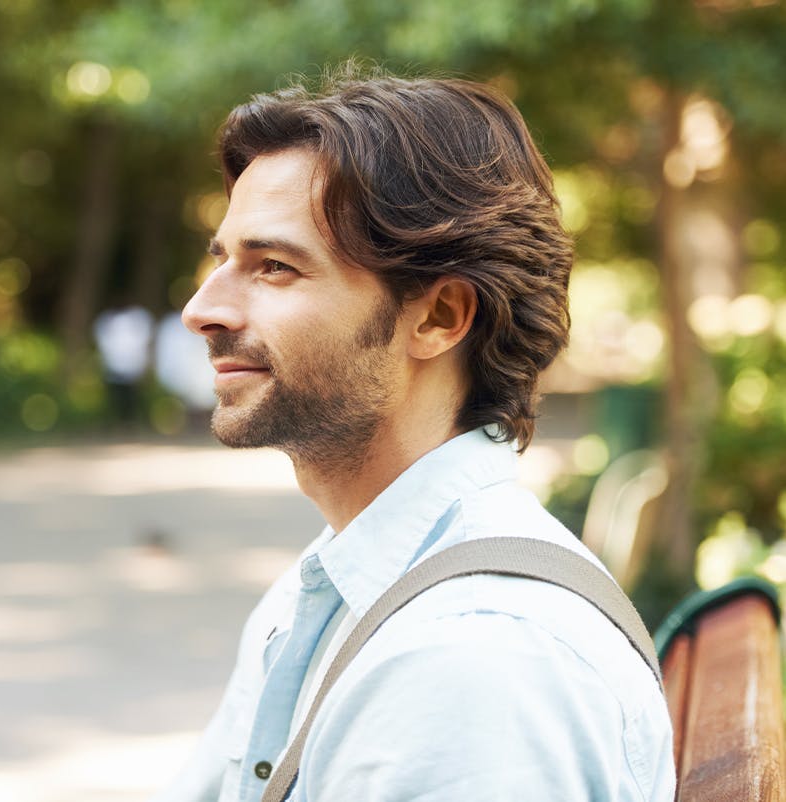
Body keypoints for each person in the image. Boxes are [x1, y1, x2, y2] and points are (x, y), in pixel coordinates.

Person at [155, 65, 675, 802]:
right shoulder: (335, 582)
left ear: (437, 318)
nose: (202, 309)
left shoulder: (477, 661)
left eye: (273, 266)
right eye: (222, 261)